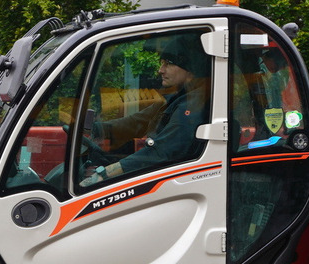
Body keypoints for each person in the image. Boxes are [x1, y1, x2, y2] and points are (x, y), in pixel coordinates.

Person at [80, 42, 211, 187]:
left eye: (168, 64)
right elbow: (136, 122)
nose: (161, 70)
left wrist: (106, 173)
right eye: (162, 63)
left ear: (190, 70)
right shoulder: (177, 97)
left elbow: (162, 151)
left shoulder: (192, 106)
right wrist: (96, 129)